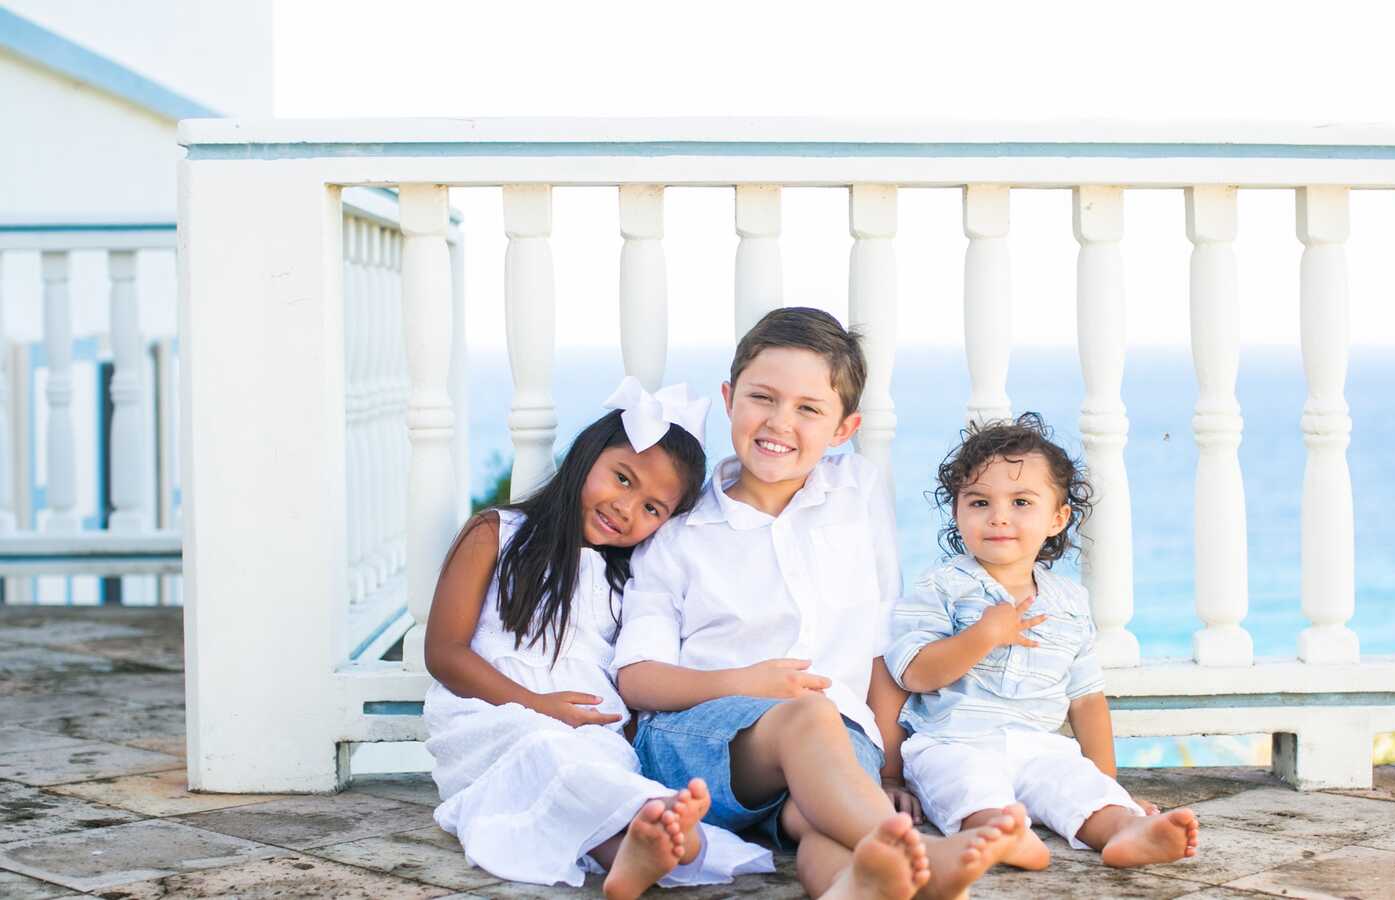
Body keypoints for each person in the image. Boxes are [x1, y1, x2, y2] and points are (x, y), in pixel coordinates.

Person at [615, 307, 1022, 900]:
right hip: (697, 745)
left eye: (809, 408)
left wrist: (886, 768)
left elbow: (887, 636)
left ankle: (853, 887)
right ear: (729, 399)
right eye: (763, 398)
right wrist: (746, 681)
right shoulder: (681, 534)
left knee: (821, 821)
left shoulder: (856, 492)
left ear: (843, 429)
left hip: (835, 746)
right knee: (811, 712)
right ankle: (925, 855)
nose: (780, 422)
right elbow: (636, 679)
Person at [422, 378, 773, 899]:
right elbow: (444, 653)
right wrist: (536, 704)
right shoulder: (497, 534)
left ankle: (643, 847)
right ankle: (671, 842)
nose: (627, 509)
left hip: (588, 728)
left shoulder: (628, 579)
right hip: (491, 716)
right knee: (547, 754)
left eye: (654, 509)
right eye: (623, 479)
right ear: (587, 456)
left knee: (594, 768)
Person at [886, 413, 1200, 870]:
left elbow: (1086, 699)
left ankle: (1124, 830)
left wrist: (1106, 782)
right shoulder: (942, 586)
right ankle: (997, 831)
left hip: (1037, 745)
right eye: (978, 502)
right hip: (954, 741)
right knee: (966, 785)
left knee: (1075, 784)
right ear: (957, 511)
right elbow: (912, 671)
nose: (998, 517)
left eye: (1020, 502)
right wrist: (984, 634)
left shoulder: (1068, 601)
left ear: (1057, 518)